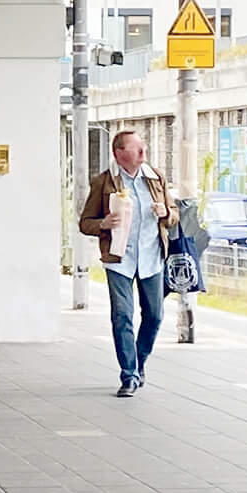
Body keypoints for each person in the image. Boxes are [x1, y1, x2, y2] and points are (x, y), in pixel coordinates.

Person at [78, 128, 178, 397]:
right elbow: (84, 223)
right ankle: (129, 375)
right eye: (136, 147)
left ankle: (139, 361)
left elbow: (174, 215)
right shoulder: (103, 183)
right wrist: (103, 224)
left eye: (143, 145)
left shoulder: (155, 178)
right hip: (120, 259)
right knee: (122, 316)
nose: (143, 151)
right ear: (119, 153)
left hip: (152, 258)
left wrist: (165, 212)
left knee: (155, 316)